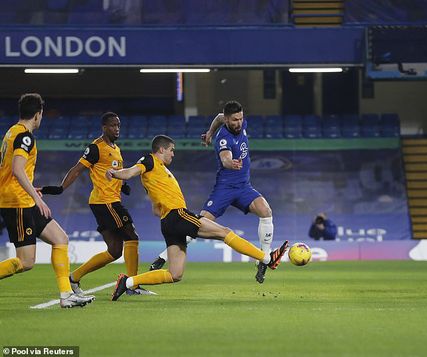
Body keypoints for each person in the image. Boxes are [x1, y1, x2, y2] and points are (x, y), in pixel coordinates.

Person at [107, 135, 288, 301]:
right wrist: (114, 173)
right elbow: (129, 172)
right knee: (224, 232)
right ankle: (266, 259)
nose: (173, 154)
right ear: (161, 150)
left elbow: (156, 209)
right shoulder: (149, 161)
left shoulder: (157, 173)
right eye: (171, 150)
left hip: (167, 222)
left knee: (175, 274)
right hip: (178, 215)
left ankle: (128, 283)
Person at [150, 101, 276, 284]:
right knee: (200, 223)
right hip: (224, 188)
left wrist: (209, 132)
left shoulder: (238, 123)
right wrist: (230, 162)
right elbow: (225, 158)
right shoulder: (223, 139)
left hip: (244, 187)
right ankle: (162, 257)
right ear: (228, 120)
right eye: (235, 120)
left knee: (266, 211)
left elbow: (218, 117)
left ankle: (263, 259)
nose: (239, 123)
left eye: (241, 118)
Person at [40, 112, 151, 298]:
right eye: (113, 125)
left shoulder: (116, 148)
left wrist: (123, 186)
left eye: (119, 125)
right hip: (105, 201)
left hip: (106, 201)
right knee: (132, 236)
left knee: (115, 251)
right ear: (104, 127)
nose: (117, 129)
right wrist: (60, 188)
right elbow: (77, 169)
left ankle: (73, 278)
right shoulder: (95, 148)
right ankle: (132, 284)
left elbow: (112, 172)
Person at [0, 93, 93, 308]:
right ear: (37, 114)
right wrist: (36, 197)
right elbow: (16, 169)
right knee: (26, 262)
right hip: (18, 203)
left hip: (23, 199)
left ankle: (66, 294)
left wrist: (33, 191)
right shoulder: (24, 136)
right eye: (41, 115)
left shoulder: (11, 132)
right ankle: (67, 294)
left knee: (60, 238)